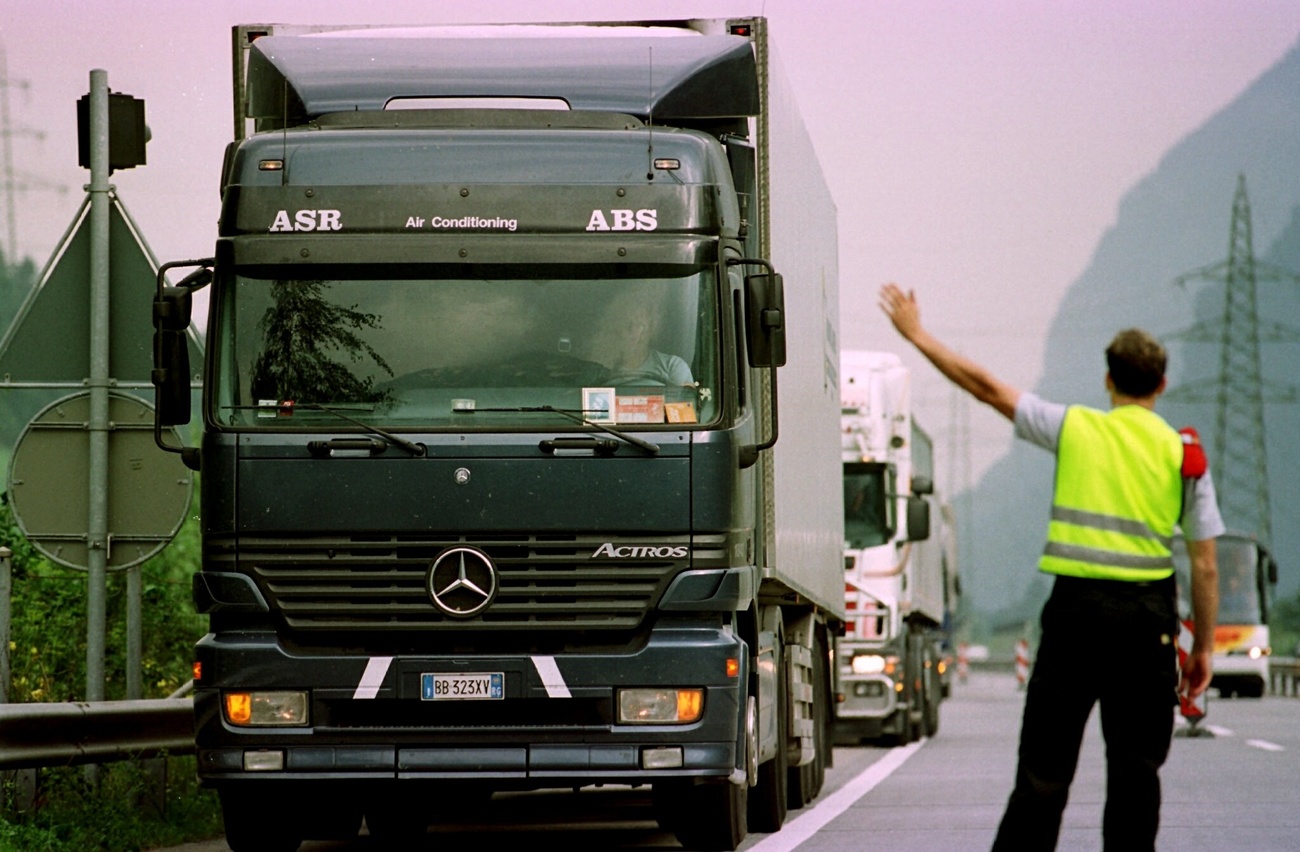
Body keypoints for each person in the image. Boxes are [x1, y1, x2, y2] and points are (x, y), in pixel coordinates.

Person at [879, 283, 1223, 851]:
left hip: (1076, 617)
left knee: (1043, 774)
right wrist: (1203, 648)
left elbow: (986, 387)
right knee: (1136, 776)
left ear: (1108, 380)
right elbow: (1205, 566)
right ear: (1161, 385)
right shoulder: (1183, 454)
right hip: (1148, 624)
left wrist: (916, 333)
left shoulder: (1074, 428)